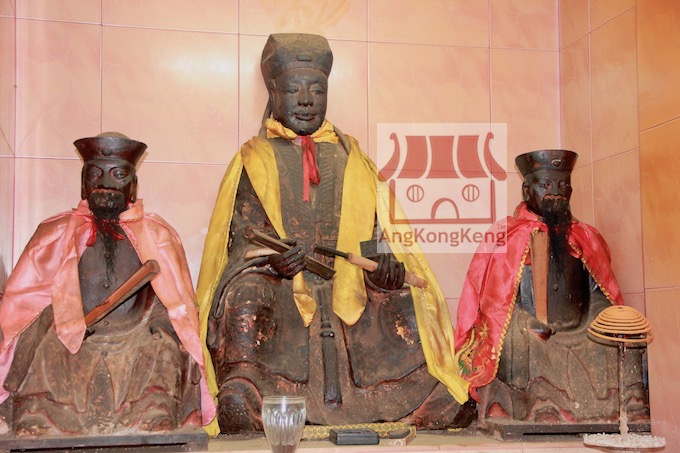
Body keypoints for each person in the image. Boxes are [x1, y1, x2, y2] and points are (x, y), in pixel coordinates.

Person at [196, 33, 473, 434]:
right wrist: (273, 260)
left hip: (350, 282)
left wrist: (383, 264)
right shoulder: (253, 159)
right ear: (273, 92)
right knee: (246, 294)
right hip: (281, 282)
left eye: (317, 90)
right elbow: (242, 237)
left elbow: (376, 229)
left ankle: (421, 395)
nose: (305, 100)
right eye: (293, 89)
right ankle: (247, 390)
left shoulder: (352, 157)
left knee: (405, 297)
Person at [0, 133, 216, 437]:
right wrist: (65, 320)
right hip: (75, 331)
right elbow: (30, 300)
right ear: (83, 184)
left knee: (164, 348)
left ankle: (152, 412)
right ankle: (41, 414)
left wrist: (159, 321)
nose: (105, 182)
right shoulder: (56, 232)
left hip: (135, 332)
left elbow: (172, 299)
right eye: (95, 174)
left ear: (133, 186)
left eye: (118, 175)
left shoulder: (157, 235)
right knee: (46, 345)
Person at [455, 149, 648, 423]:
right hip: (532, 326)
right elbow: (497, 305)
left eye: (563, 185)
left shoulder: (585, 236)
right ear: (527, 190)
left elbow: (599, 293)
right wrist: (529, 322)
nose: (555, 193)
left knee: (622, 332)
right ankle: (541, 405)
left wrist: (602, 317)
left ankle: (628, 403)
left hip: (581, 327)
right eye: (545, 185)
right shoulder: (507, 236)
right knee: (525, 337)